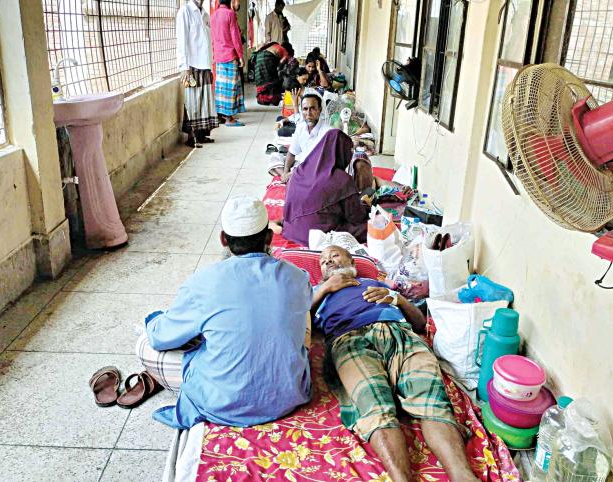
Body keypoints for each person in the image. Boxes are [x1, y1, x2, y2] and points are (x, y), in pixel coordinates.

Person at [136, 196, 313, 429]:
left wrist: (154, 319)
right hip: (288, 397)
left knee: (144, 344)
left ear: (223, 240)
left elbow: (160, 338)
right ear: (269, 238)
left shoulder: (202, 283)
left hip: (224, 404)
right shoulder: (298, 277)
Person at [311, 246, 480, 482]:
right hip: (349, 339)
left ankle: (463, 476)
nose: (327, 261)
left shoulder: (374, 282)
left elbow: (420, 323)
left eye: (334, 255)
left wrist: (398, 299)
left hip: (399, 333)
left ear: (351, 260)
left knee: (433, 402)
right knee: (375, 407)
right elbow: (299, 324)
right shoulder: (316, 294)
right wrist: (324, 289)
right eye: (322, 261)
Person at [282, 130, 368, 245]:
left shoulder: (299, 170)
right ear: (342, 152)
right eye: (349, 151)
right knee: (369, 227)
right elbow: (356, 217)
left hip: (292, 230)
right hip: (320, 236)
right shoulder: (342, 179)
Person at [177, 0, 219, 148]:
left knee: (204, 102)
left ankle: (201, 135)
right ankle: (191, 137)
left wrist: (211, 64)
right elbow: (182, 40)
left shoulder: (205, 14)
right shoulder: (185, 11)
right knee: (192, 102)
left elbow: (207, 42)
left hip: (205, 64)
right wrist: (184, 67)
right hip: (192, 65)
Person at [281, 93, 334, 180]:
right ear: (301, 110)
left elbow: (323, 164)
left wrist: (292, 174)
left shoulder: (328, 132)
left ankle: (292, 178)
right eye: (305, 109)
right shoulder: (300, 127)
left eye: (312, 108)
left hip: (317, 171)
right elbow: (291, 153)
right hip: (300, 166)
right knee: (275, 158)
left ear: (320, 110)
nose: (308, 113)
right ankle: (289, 176)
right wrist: (285, 172)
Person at [211, 0, 246, 126]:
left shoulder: (213, 15)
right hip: (230, 55)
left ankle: (221, 115)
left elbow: (213, 37)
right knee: (231, 87)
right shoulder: (230, 14)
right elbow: (235, 38)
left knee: (221, 87)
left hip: (218, 56)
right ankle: (230, 118)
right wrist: (241, 56)